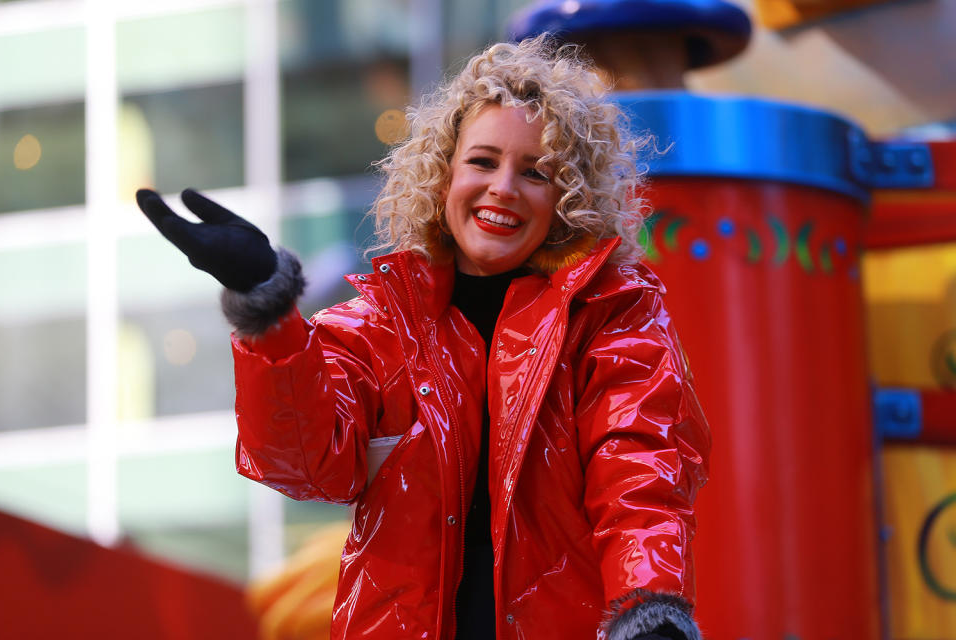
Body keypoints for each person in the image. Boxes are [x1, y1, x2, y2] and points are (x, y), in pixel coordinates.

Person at [136, 36, 709, 640]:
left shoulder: (612, 317)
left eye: (536, 172)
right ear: (443, 177)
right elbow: (306, 466)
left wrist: (650, 607)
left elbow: (640, 474)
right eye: (483, 162)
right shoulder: (379, 325)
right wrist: (268, 310)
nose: (503, 188)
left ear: (570, 201)